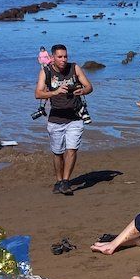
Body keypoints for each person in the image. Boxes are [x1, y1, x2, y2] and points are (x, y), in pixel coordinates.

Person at [35, 44, 94, 195]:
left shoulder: (74, 68)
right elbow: (38, 94)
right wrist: (55, 92)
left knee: (72, 150)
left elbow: (89, 87)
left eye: (65, 56)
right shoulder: (46, 71)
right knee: (58, 153)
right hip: (55, 118)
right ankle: (59, 180)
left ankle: (66, 181)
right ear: (52, 57)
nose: (63, 59)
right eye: (60, 57)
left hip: (75, 117)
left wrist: (83, 90)